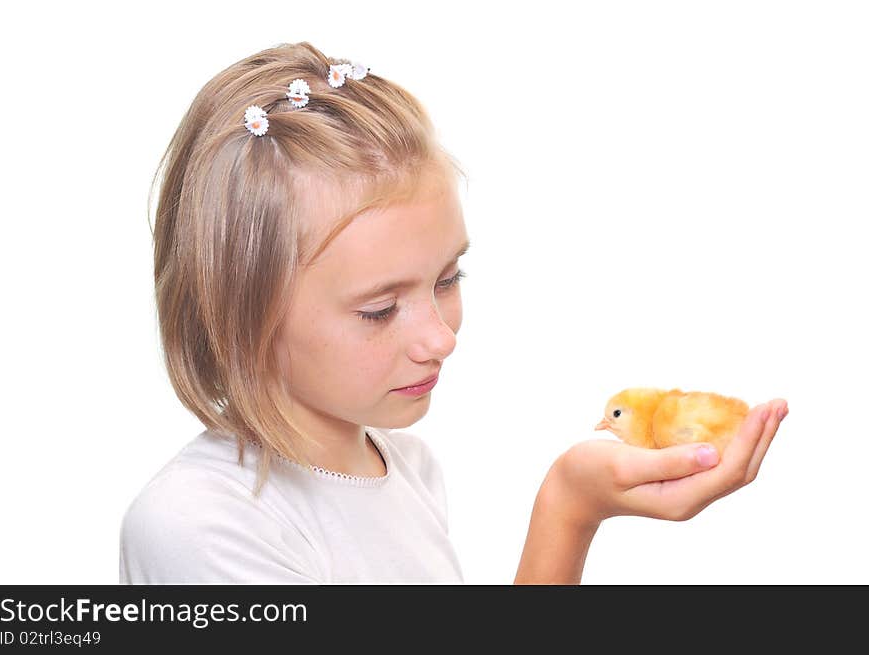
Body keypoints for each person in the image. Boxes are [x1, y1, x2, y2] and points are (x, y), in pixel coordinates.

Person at [119, 41, 788, 584]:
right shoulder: (202, 526)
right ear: (242, 316)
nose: (440, 337)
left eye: (447, 277)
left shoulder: (407, 468)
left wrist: (570, 505)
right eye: (380, 310)